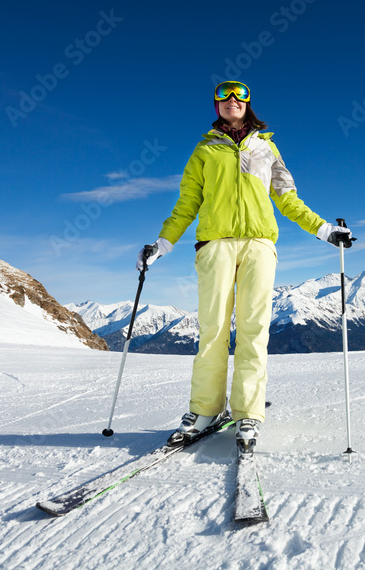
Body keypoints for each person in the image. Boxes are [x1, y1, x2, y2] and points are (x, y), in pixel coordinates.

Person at [137, 80, 353, 453]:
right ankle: (204, 411)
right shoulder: (204, 150)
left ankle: (248, 412)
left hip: (259, 244)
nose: (231, 100)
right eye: (223, 96)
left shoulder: (266, 148)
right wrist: (162, 243)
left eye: (238, 95)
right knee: (213, 330)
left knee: (254, 330)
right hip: (214, 244)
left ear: (248, 102)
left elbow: (287, 198)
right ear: (216, 106)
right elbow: (187, 202)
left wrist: (324, 230)